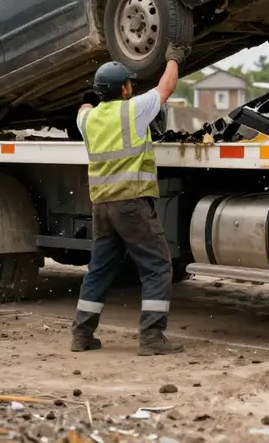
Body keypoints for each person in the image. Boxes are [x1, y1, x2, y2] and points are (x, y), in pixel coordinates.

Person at [70, 42, 190, 355]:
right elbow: (165, 88)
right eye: (129, 84)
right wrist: (174, 58)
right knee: (158, 267)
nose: (131, 88)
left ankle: (82, 335)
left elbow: (83, 109)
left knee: (99, 269)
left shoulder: (88, 121)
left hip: (102, 207)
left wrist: (88, 98)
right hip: (132, 204)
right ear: (124, 90)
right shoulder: (133, 110)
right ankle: (151, 338)